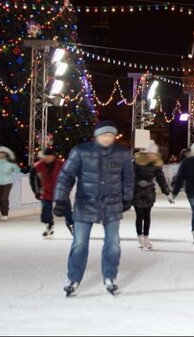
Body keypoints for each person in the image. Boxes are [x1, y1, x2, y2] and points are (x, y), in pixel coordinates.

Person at [54, 121, 134, 296]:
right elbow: (66, 176)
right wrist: (60, 199)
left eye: (110, 135)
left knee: (113, 243)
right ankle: (73, 278)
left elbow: (128, 177)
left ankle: (110, 276)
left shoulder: (122, 154)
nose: (107, 138)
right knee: (79, 244)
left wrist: (127, 198)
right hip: (85, 203)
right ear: (96, 135)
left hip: (112, 205)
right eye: (104, 135)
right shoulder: (81, 152)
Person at [132, 142, 171, 250]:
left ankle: (146, 238)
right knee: (139, 216)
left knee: (147, 215)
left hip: (149, 192)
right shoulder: (136, 162)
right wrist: (137, 182)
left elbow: (161, 178)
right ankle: (140, 239)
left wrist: (167, 193)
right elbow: (129, 175)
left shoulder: (156, 164)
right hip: (137, 191)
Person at [32, 148, 73, 237]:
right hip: (46, 192)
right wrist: (36, 191)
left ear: (53, 156)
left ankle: (71, 225)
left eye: (49, 156)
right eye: (45, 156)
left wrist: (67, 189)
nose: (47, 158)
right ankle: (49, 226)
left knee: (67, 210)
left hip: (61, 191)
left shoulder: (62, 165)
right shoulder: (38, 166)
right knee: (46, 211)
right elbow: (33, 180)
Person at [0, 146, 20, 220]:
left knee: (4, 198)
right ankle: (2, 213)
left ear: (5, 154)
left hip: (8, 182)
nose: (1, 155)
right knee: (0, 199)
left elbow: (17, 170)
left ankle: (5, 214)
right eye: (0, 154)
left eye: (3, 154)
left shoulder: (9, 162)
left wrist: (15, 169)